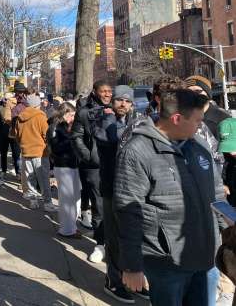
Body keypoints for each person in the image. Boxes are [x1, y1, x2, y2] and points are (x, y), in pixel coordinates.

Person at [115, 89, 225, 306]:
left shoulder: (199, 146)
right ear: (176, 119)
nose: (201, 126)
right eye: (197, 120)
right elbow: (128, 212)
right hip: (166, 262)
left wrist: (228, 227)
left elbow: (217, 190)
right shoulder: (137, 152)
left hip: (206, 256)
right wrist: (132, 266)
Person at [95, 85, 145, 303]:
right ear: (112, 102)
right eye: (119, 100)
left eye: (127, 101)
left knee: (134, 238)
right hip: (112, 188)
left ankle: (133, 279)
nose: (123, 104)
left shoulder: (138, 121)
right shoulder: (104, 121)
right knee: (114, 238)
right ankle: (113, 281)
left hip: (135, 189)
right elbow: (112, 139)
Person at [71, 79, 113, 263]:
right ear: (95, 92)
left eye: (109, 91)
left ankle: (114, 242)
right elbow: (77, 137)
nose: (107, 94)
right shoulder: (84, 112)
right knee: (99, 204)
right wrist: (88, 156)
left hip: (115, 164)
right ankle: (101, 244)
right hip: (94, 166)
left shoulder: (118, 108)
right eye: (103, 91)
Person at [16, 94, 56, 212]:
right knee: (43, 178)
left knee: (30, 178)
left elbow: (17, 135)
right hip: (40, 152)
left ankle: (33, 200)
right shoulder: (41, 117)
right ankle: (48, 203)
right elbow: (47, 135)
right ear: (37, 105)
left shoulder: (20, 117)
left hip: (25, 151)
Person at [48, 102, 81, 237]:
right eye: (71, 115)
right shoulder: (55, 127)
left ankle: (71, 225)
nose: (73, 118)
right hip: (63, 165)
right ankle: (67, 229)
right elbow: (56, 148)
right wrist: (72, 139)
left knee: (75, 197)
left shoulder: (66, 126)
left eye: (74, 115)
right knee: (67, 199)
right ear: (64, 113)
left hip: (72, 164)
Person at [0, 97, 18, 179]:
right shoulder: (4, 109)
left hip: (8, 131)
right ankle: (16, 172)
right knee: (14, 153)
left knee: (9, 153)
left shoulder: (5, 108)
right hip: (9, 132)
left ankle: (5, 171)